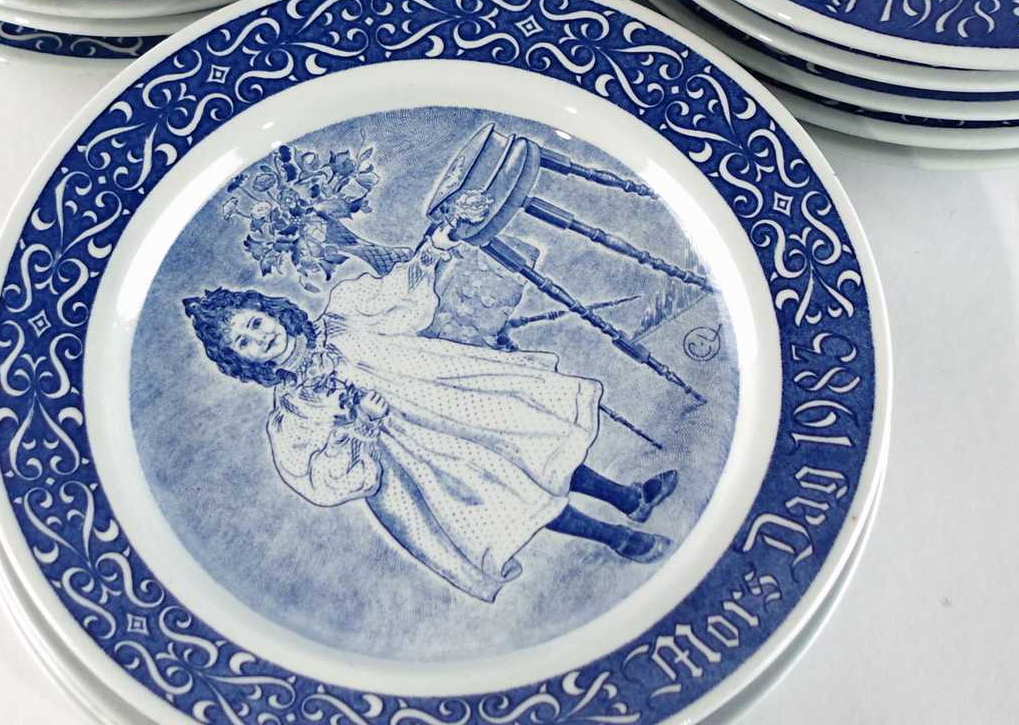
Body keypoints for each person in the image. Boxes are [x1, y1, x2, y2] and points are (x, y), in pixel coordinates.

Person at [182, 228, 679, 602]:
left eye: (255, 323)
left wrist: (435, 246)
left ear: (271, 312)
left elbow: (399, 294)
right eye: (244, 342)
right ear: (241, 361)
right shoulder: (293, 415)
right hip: (416, 464)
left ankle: (628, 497)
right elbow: (320, 480)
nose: (260, 338)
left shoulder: (342, 317)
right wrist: (360, 429)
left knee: (525, 443)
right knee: (506, 494)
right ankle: (618, 537)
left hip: (446, 400)